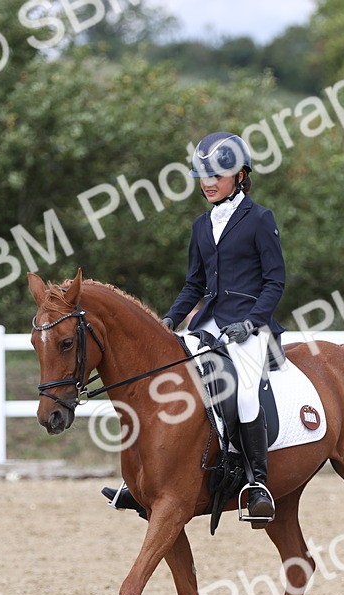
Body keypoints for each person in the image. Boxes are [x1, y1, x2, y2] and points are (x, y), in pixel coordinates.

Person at [105, 131, 286, 526]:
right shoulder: (202, 225)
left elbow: (275, 281)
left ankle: (257, 483)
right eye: (203, 176)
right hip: (207, 322)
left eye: (216, 175)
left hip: (250, 325)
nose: (207, 183)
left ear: (240, 176)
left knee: (244, 392)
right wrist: (168, 320)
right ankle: (144, 479)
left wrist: (252, 322)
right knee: (167, 381)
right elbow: (194, 285)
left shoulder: (260, 219)